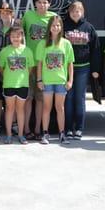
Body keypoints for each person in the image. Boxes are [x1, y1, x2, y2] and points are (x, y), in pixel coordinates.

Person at [63, 0, 101, 140]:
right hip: (66, 68)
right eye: (73, 11)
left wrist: (95, 69)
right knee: (68, 98)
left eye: (78, 11)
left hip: (83, 68)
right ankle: (67, 128)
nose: (75, 13)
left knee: (80, 98)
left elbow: (95, 50)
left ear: (82, 12)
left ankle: (79, 128)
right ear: (69, 12)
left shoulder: (88, 27)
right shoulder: (63, 26)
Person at [22, 0, 57, 140]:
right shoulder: (28, 16)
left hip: (45, 66)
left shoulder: (53, 17)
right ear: (35, 3)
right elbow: (19, 34)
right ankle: (26, 129)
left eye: (45, 2)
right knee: (28, 98)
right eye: (40, 2)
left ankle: (38, 129)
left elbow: (58, 38)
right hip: (30, 65)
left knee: (41, 99)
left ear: (49, 4)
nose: (42, 4)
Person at [36, 16, 74, 145]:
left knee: (60, 108)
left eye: (58, 25)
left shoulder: (66, 43)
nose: (55, 27)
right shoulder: (43, 43)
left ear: (61, 27)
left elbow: (70, 64)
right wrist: (39, 80)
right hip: (47, 81)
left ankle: (62, 134)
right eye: (53, 25)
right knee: (46, 107)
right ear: (49, 28)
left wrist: (70, 81)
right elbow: (40, 64)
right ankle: (45, 133)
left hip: (61, 81)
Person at [0, 26, 34, 144]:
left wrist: (22, 77)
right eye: (13, 36)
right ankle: (8, 135)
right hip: (9, 84)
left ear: (22, 37)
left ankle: (20, 135)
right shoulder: (4, 51)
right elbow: (1, 68)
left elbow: (30, 69)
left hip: (23, 85)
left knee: (20, 110)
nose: (15, 38)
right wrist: (10, 77)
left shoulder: (27, 51)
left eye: (18, 36)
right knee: (9, 109)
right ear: (9, 37)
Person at [0, 2, 20, 132]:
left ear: (12, 13)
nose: (5, 14)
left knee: (11, 97)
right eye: (2, 12)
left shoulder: (17, 27)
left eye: (8, 12)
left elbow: (22, 47)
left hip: (13, 68)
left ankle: (13, 123)